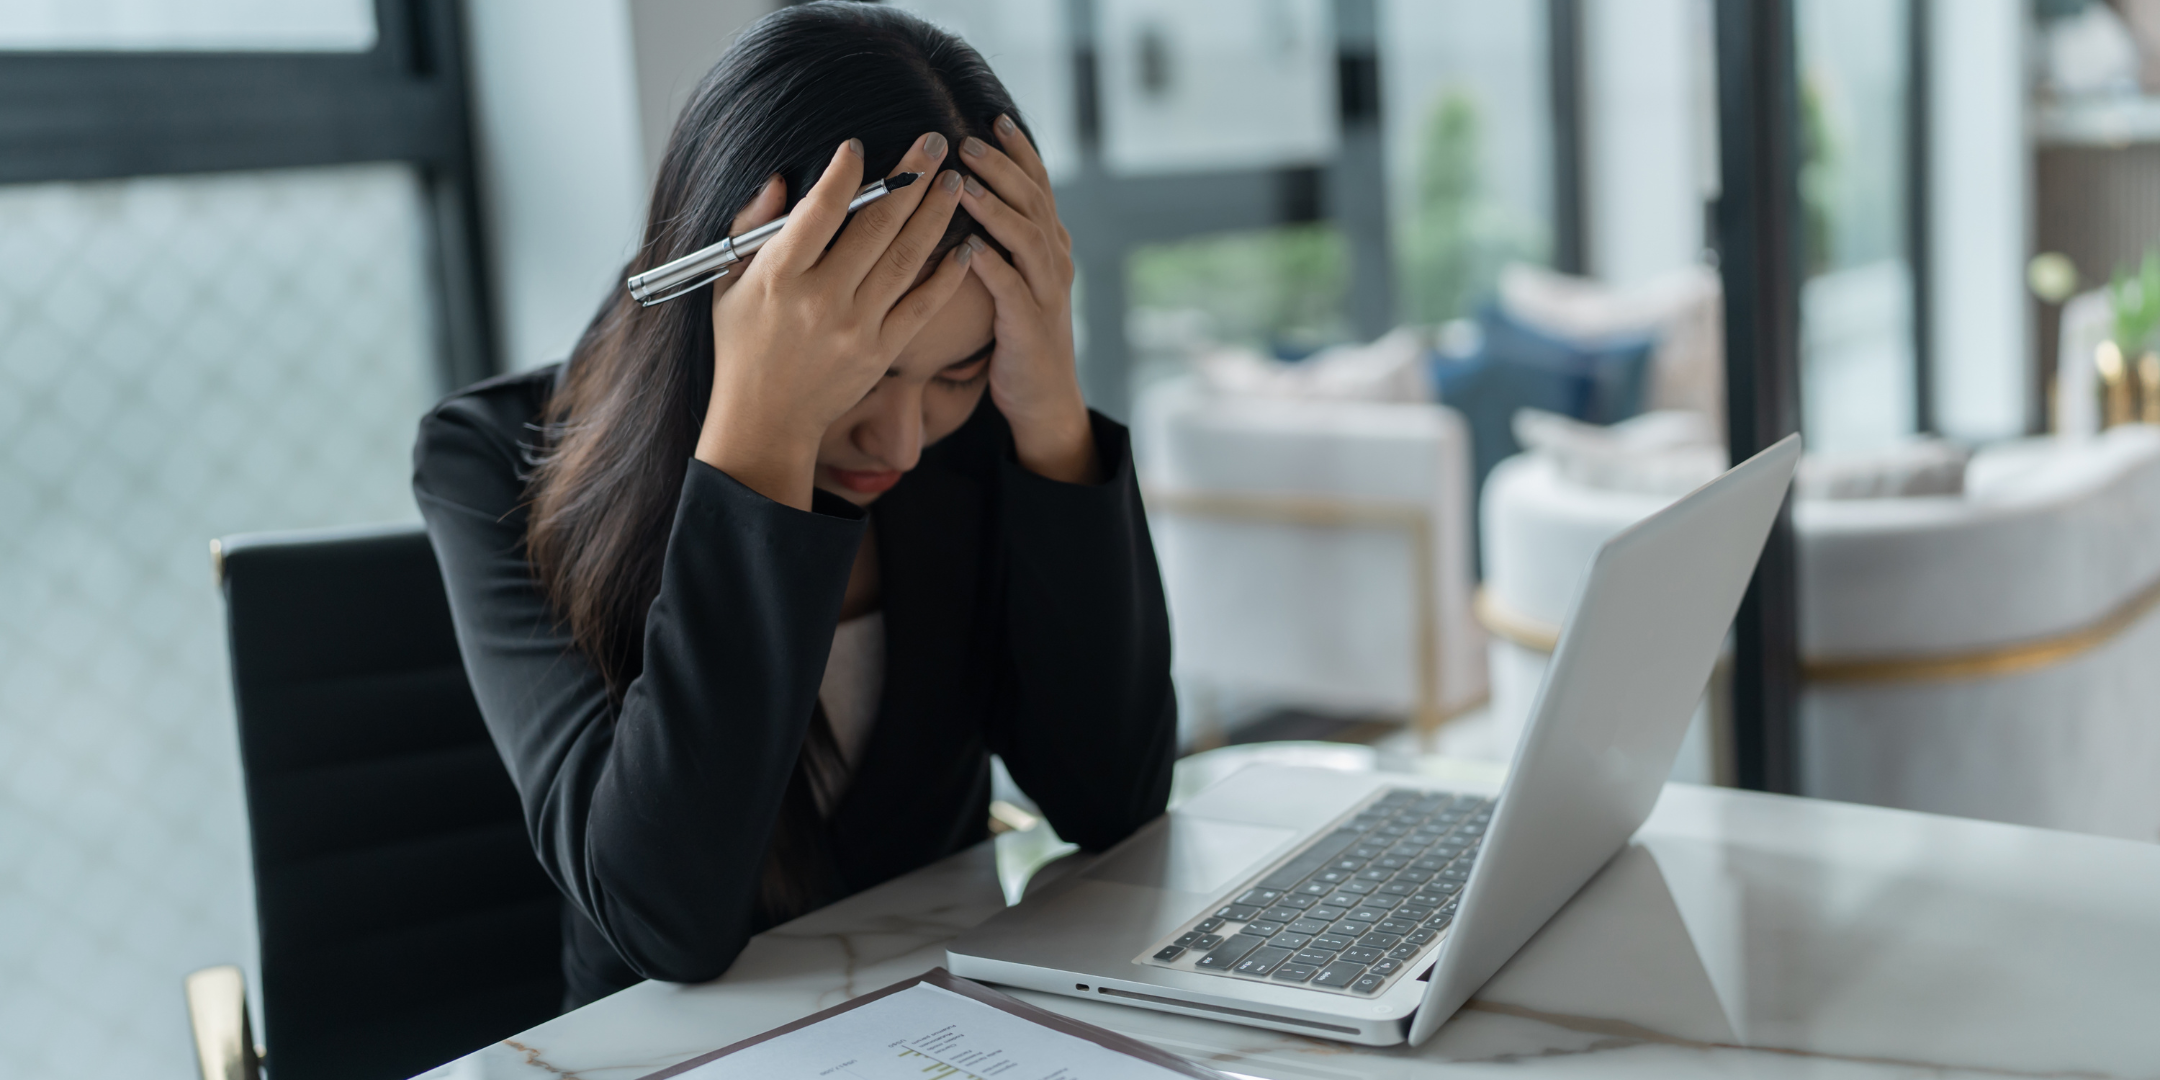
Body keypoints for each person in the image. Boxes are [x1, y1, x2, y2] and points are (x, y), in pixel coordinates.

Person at [412, 2, 1176, 1008]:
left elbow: (1111, 800)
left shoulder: (987, 432)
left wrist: (1048, 409)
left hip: (955, 1023)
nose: (902, 442)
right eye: (867, 372)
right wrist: (758, 432)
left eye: (958, 373)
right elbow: (664, 921)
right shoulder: (489, 462)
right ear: (731, 301)